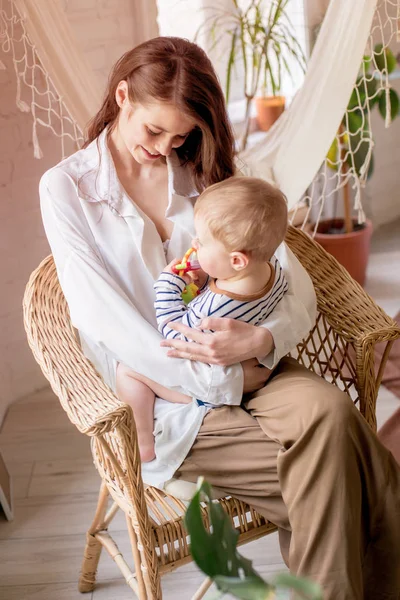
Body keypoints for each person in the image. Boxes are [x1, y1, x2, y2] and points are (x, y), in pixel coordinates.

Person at [39, 36, 400, 598]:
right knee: (355, 475)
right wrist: (219, 375)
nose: (165, 148)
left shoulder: (205, 167)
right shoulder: (67, 189)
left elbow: (293, 280)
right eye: (154, 131)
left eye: (181, 135)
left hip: (252, 359)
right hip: (162, 397)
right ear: (122, 96)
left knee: (329, 411)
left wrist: (260, 337)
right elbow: (101, 316)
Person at [127, 176, 290, 462]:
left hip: (209, 389)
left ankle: (142, 442)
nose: (193, 243)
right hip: (247, 367)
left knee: (128, 370)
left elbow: (174, 334)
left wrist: (169, 284)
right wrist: (206, 277)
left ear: (237, 260)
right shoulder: (271, 268)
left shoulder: (213, 310)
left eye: (201, 242)